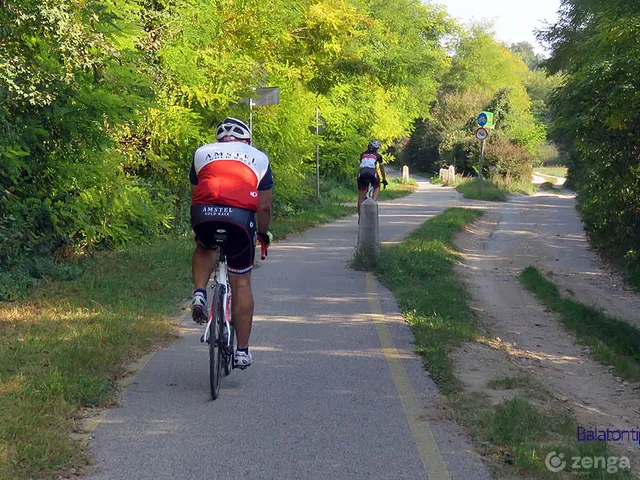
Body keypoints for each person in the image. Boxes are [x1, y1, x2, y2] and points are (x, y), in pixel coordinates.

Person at [189, 117, 273, 369]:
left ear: (219, 139)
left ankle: (200, 293)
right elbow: (264, 205)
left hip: (205, 213)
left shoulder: (202, 152)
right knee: (242, 282)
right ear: (246, 140)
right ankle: (242, 352)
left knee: (205, 246)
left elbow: (197, 194)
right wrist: (263, 233)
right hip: (240, 219)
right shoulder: (259, 157)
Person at [357, 140, 388, 215]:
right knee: (377, 186)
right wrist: (384, 179)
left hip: (361, 173)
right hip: (372, 173)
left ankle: (360, 216)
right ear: (377, 149)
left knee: (361, 197)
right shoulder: (378, 156)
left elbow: (362, 165)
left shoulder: (362, 154)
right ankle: (373, 203)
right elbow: (382, 168)